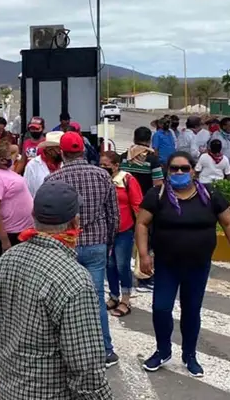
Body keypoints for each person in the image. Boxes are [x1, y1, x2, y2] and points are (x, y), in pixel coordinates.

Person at [0, 181, 114, 400]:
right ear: (75, 222)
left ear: (34, 218)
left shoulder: (7, 260)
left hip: (8, 388)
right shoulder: (74, 279)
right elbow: (85, 366)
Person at [136, 151, 230, 377]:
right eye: (174, 168)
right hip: (167, 265)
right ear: (167, 171)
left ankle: (190, 355)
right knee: (161, 308)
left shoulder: (210, 195)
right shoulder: (156, 195)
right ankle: (163, 351)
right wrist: (144, 254)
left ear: (193, 170)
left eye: (184, 168)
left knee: (191, 311)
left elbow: (229, 223)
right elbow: (142, 224)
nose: (179, 172)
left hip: (197, 266)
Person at [46, 132, 120, 367]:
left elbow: (48, 217)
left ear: (62, 152)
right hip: (97, 244)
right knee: (96, 298)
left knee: (63, 300)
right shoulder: (102, 176)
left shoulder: (54, 179)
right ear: (83, 150)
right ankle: (105, 351)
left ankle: (67, 351)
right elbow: (113, 215)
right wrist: (109, 243)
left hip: (65, 245)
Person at [120, 126, 164, 293]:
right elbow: (158, 185)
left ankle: (124, 279)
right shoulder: (152, 159)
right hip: (146, 207)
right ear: (149, 140)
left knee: (126, 242)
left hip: (126, 207)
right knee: (146, 243)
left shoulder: (124, 157)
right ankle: (145, 278)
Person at [100, 151, 142, 319]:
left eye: (106, 165)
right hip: (106, 231)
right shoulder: (102, 180)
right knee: (109, 265)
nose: (103, 168)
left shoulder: (127, 180)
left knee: (122, 265)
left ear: (116, 165)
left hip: (125, 230)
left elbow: (138, 204)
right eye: (101, 164)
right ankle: (114, 296)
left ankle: (126, 298)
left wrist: (141, 231)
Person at [0, 140, 34, 260]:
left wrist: (0, 147)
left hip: (19, 232)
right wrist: (4, 241)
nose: (12, 156)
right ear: (1, 160)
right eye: (8, 155)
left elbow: (15, 148)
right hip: (10, 234)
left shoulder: (4, 169)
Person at [23, 131, 63, 196]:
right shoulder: (33, 165)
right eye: (60, 149)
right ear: (49, 150)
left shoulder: (66, 163)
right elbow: (27, 192)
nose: (62, 152)